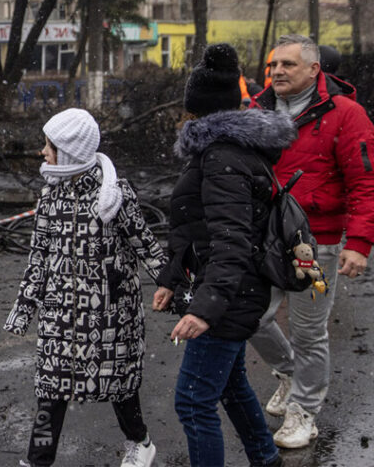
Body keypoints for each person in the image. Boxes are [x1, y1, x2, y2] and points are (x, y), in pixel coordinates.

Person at [153, 43, 295, 467]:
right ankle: (265, 457)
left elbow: (231, 243)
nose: (183, 120)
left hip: (231, 295)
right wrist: (170, 278)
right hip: (231, 290)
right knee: (230, 386)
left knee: (194, 401)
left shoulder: (222, 159)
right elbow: (194, 227)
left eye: (188, 113)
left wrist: (205, 311)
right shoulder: (219, 152)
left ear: (198, 114)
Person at [4, 108, 168, 467]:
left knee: (120, 389)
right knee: (50, 393)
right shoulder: (50, 196)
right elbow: (39, 257)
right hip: (58, 315)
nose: (43, 152)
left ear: (70, 151)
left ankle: (140, 442)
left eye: (49, 146)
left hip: (110, 316)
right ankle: (38, 461)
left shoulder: (114, 194)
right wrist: (23, 309)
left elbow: (146, 246)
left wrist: (178, 291)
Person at [247, 34, 374, 448]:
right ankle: (288, 373)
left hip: (314, 243)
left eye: (288, 64)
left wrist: (357, 242)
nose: (278, 72)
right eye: (273, 65)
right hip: (264, 239)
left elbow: (365, 181)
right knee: (251, 317)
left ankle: (305, 411)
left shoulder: (346, 115)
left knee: (309, 332)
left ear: (315, 70)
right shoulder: (256, 111)